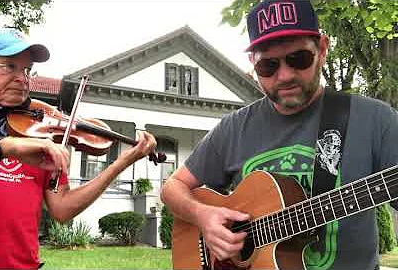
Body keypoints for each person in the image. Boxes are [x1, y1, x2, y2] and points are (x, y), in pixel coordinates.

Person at [160, 0, 398, 269]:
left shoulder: (377, 120)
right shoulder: (234, 128)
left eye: (298, 59)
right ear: (252, 63)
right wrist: (203, 216)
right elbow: (172, 188)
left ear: (322, 48)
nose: (284, 75)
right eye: (268, 66)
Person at [0, 28, 157, 268]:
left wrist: (121, 164)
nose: (22, 78)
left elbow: (62, 208)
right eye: (9, 66)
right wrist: (3, 147)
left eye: (27, 70)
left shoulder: (39, 131)